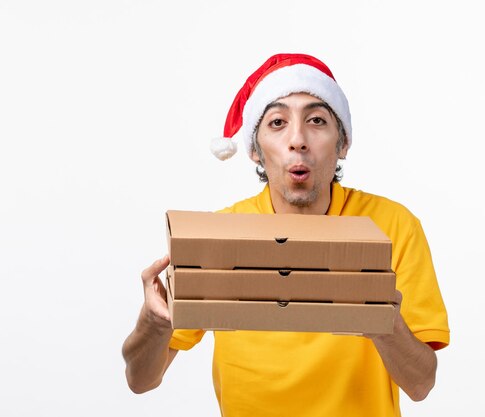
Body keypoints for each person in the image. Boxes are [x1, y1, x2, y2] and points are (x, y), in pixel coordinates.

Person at [122, 53, 450, 416]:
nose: (298, 139)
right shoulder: (220, 238)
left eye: (316, 120)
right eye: (277, 122)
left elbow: (421, 385)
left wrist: (383, 325)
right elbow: (141, 380)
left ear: (342, 144)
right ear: (255, 150)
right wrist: (153, 323)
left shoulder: (392, 226)